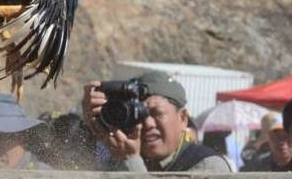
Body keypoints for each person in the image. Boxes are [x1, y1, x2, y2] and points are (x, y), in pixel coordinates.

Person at [83, 71, 232, 173]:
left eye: (156, 113)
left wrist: (130, 161)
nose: (148, 123)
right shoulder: (121, 154)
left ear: (183, 118)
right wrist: (93, 126)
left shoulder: (207, 165)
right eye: (139, 114)